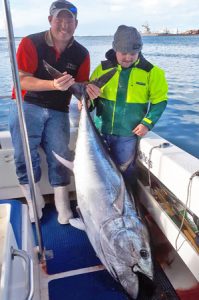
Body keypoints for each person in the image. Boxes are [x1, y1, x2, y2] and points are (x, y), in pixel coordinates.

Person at [9, 0, 100, 224]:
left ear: (76, 24)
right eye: (59, 19)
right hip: (27, 104)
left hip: (59, 110)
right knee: (24, 157)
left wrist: (89, 94)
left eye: (69, 20)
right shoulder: (31, 43)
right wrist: (53, 85)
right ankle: (34, 202)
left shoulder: (82, 53)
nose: (64, 24)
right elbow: (21, 80)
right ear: (50, 20)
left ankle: (62, 207)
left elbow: (80, 88)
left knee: (60, 155)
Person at [90, 25, 168, 185]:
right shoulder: (102, 69)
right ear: (115, 49)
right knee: (99, 170)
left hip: (128, 133)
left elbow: (159, 101)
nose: (128, 57)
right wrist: (86, 101)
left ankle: (128, 204)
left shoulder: (152, 72)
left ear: (139, 51)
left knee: (126, 170)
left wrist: (148, 122)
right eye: (123, 53)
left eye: (133, 53)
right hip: (101, 130)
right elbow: (92, 97)